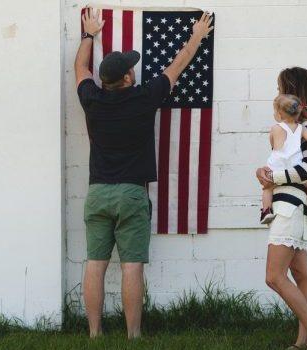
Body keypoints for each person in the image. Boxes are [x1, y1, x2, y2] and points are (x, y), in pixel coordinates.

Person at [74, 8, 213, 339]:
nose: (134, 71)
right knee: (131, 266)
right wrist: (196, 36)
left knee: (95, 263)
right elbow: (178, 65)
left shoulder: (91, 98)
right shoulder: (142, 98)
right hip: (132, 194)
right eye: (131, 69)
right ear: (125, 79)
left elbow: (80, 68)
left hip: (98, 193)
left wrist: (88, 34)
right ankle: (133, 335)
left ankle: (94, 334)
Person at [256, 67, 307, 350]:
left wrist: (271, 178)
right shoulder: (295, 129)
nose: (278, 95)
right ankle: (304, 344)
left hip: (291, 207)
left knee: (274, 276)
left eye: (281, 89)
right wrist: (265, 172)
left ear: (294, 92)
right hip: (292, 206)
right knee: (301, 275)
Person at [260, 94, 307, 224]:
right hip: (294, 166)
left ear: (279, 114)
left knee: (267, 188)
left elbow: (273, 145)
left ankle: (266, 211)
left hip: (276, 167)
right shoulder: (302, 128)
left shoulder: (275, 128)